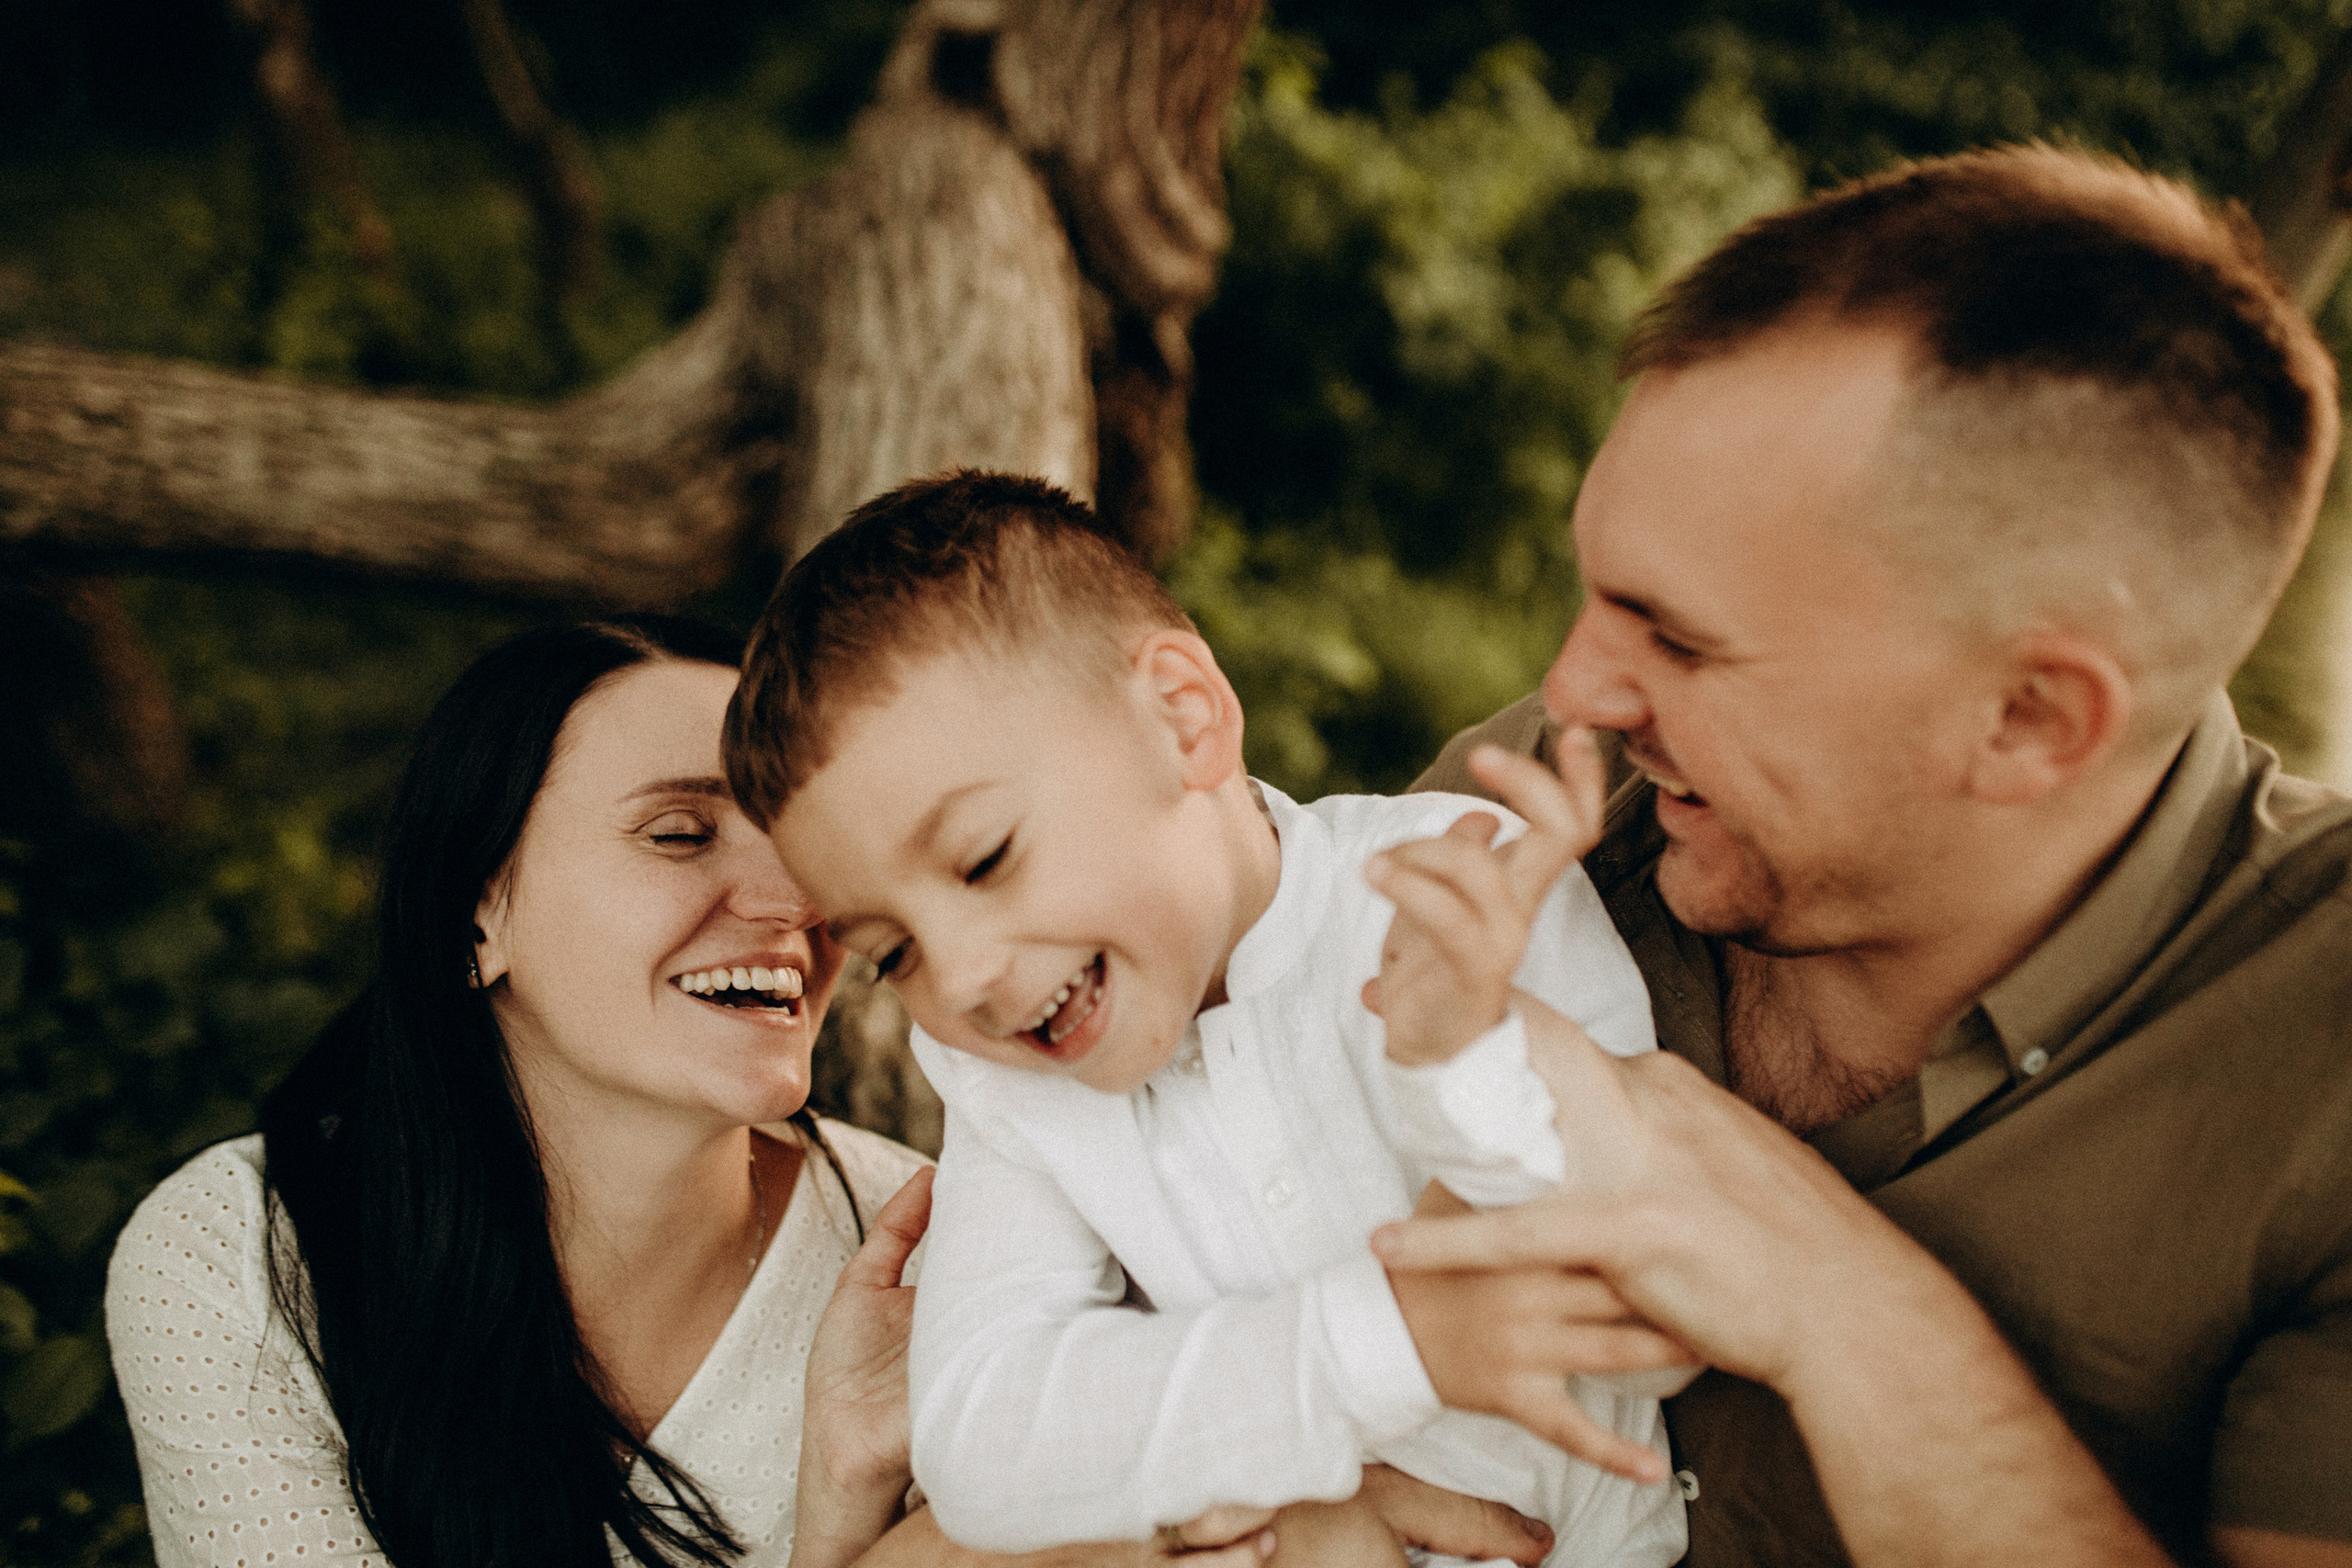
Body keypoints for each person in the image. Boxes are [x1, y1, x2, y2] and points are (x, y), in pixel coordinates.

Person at [1376, 145, 2352, 1568]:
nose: (1577, 690)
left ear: (2030, 719)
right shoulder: (1549, 808)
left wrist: (1844, 1311)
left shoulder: (2325, 1063)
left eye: (1681, 637)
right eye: (1597, 591)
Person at [102, 616, 1317, 1568]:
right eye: (682, 833)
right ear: (478, 914)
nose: (791, 904)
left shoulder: (933, 1252)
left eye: (802, 852)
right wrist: (845, 1512)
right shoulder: (243, 1258)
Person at [722, 473, 1692, 1565]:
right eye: (892, 952)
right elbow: (982, 1442)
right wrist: (1376, 1343)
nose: (964, 978)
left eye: (984, 858)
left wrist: (1458, 1062)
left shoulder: (1459, 893)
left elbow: (1650, 1331)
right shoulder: (1010, 1084)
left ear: (1183, 719)